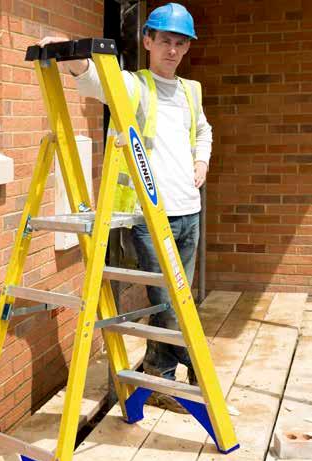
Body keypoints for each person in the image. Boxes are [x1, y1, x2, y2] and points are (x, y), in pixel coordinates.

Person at [38, 3, 212, 413]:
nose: (172, 50)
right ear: (148, 41)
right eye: (165, 41)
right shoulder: (135, 86)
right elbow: (98, 80)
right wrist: (73, 54)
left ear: (187, 48)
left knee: (178, 298)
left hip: (189, 210)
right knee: (171, 302)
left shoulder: (191, 90)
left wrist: (201, 159)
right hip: (149, 215)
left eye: (180, 43)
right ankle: (181, 365)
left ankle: (159, 371)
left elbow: (203, 129)